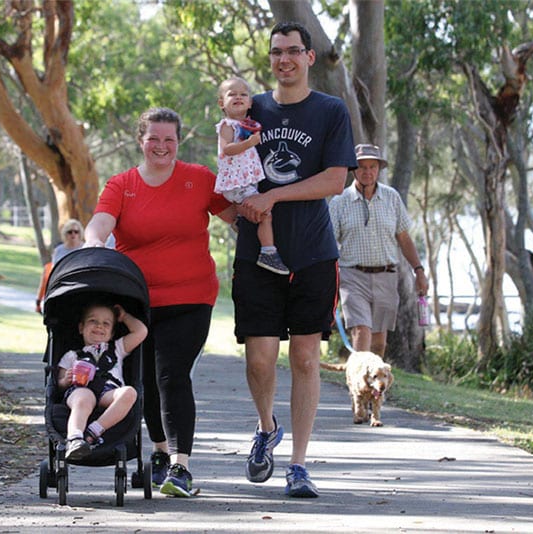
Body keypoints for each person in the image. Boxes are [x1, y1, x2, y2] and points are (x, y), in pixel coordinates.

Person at [232, 21, 357, 499]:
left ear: (308, 57)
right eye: (276, 52)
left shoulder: (330, 110)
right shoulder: (252, 107)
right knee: (260, 358)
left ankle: (299, 466)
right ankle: (266, 428)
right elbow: (229, 162)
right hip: (257, 255)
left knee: (305, 359)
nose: (284, 59)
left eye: (293, 51)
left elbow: (334, 180)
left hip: (312, 254)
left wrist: (274, 197)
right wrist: (239, 206)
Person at [83, 107, 235, 498]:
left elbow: (236, 215)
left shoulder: (199, 180)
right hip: (138, 302)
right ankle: (161, 454)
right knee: (145, 380)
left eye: (169, 140)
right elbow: (100, 222)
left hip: (191, 297)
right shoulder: (122, 184)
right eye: (154, 139)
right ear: (141, 141)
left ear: (178, 142)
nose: (161, 147)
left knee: (171, 375)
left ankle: (181, 466)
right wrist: (94, 243)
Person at [328, 144, 429, 356]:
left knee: (379, 342)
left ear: (378, 169)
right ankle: (358, 387)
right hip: (353, 276)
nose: (367, 172)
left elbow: (404, 237)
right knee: (362, 330)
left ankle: (375, 387)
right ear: (353, 169)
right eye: (362, 167)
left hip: (386, 276)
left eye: (372, 166)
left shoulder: (391, 198)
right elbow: (329, 242)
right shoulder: (340, 202)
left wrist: (418, 270)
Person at [215, 76, 288, 275]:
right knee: (266, 214)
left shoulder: (247, 124)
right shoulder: (227, 126)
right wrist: (249, 143)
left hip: (245, 180)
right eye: (232, 94)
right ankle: (268, 252)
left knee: (257, 210)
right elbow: (227, 149)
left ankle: (241, 220)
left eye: (243, 94)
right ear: (222, 103)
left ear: (250, 102)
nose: (238, 97)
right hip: (235, 183)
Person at [57, 300, 147, 462]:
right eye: (93, 321)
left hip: (108, 392)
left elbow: (141, 331)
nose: (99, 326)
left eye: (106, 324)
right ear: (81, 327)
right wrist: (66, 380)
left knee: (129, 392)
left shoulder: (117, 349)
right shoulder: (72, 355)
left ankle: (93, 431)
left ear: (112, 333)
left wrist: (124, 316)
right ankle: (75, 438)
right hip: (80, 390)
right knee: (84, 397)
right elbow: (59, 384)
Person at [35, 219, 84, 313]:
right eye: (70, 232)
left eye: (76, 232)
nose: (73, 234)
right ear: (65, 234)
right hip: (62, 285)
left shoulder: (85, 249)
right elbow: (53, 270)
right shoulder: (59, 251)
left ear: (80, 233)